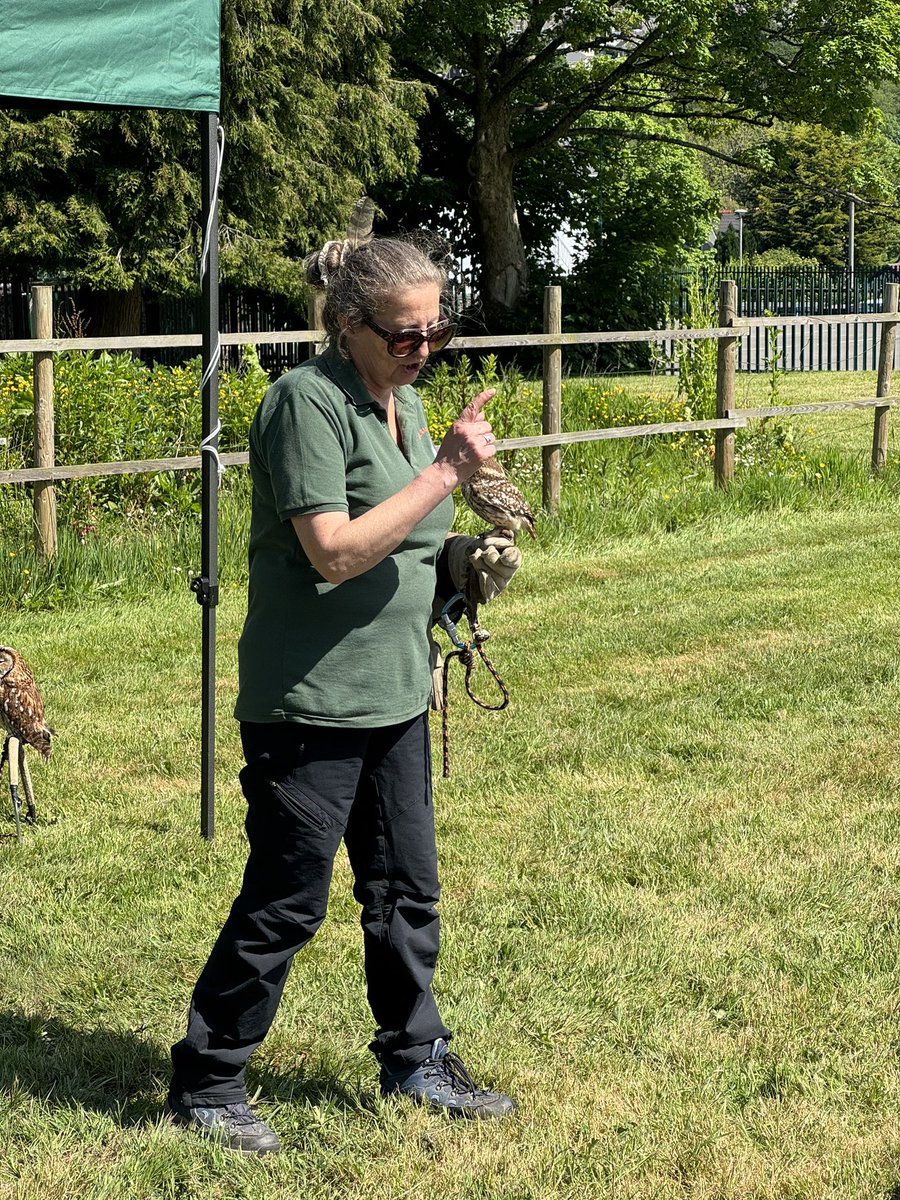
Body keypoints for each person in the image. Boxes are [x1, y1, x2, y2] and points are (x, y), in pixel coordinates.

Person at [166, 231, 523, 1154]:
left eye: (435, 332)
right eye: (404, 335)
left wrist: (460, 563)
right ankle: (208, 1081)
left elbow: (403, 536)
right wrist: (448, 472)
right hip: (309, 702)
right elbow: (332, 550)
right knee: (287, 899)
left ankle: (416, 1057)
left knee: (406, 891)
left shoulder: (402, 404)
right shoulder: (305, 404)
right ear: (348, 322)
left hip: (395, 692)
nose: (423, 349)